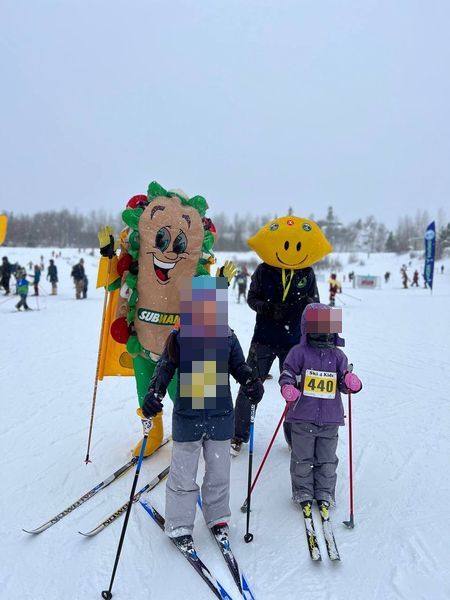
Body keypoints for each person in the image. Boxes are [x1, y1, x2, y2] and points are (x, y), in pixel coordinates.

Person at [141, 276, 263, 550]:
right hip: (188, 417)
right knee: (183, 474)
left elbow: (239, 366)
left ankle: (217, 516)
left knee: (219, 473)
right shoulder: (180, 336)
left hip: (220, 417)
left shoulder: (228, 337)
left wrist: (250, 382)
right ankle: (180, 523)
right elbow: (164, 369)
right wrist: (154, 394)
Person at [231, 216, 331, 455]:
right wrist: (267, 307)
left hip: (294, 343)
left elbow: (316, 305)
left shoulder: (307, 273)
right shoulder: (264, 270)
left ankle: (293, 436)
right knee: (249, 385)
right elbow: (251, 298)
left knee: (295, 390)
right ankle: (237, 435)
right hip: (263, 340)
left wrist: (307, 306)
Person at [278, 303, 362, 514]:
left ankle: (325, 491)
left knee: (326, 459)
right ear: (308, 327)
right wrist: (288, 386)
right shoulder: (298, 353)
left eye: (327, 327)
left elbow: (343, 383)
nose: (323, 333)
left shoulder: (338, 356)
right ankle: (303, 491)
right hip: (302, 416)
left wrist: (351, 382)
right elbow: (287, 372)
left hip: (331, 418)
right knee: (302, 457)